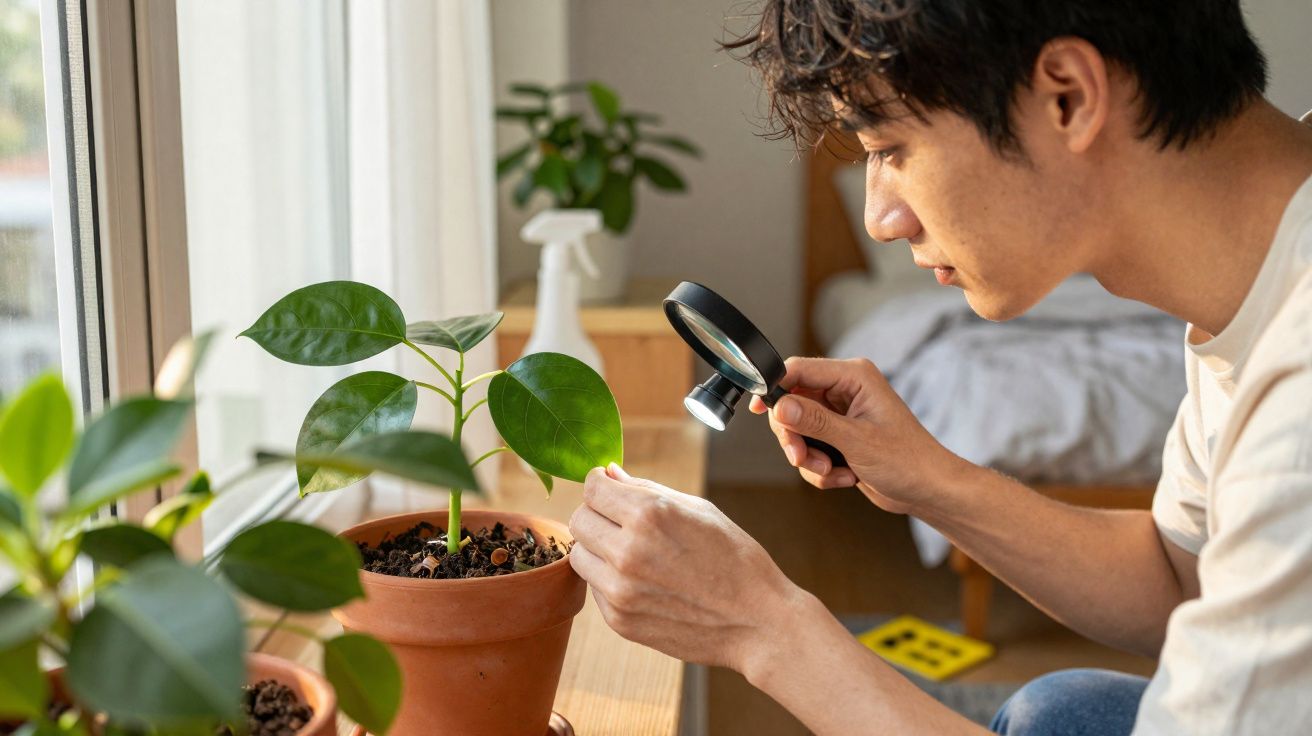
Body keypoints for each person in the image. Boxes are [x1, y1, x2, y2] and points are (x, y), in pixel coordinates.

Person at [566, 1, 1312, 733]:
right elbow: (1180, 583)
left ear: (1067, 97)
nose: (881, 219)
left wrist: (762, 627)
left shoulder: (1298, 402)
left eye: (889, 149)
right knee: (1060, 710)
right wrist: (931, 478)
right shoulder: (1257, 282)